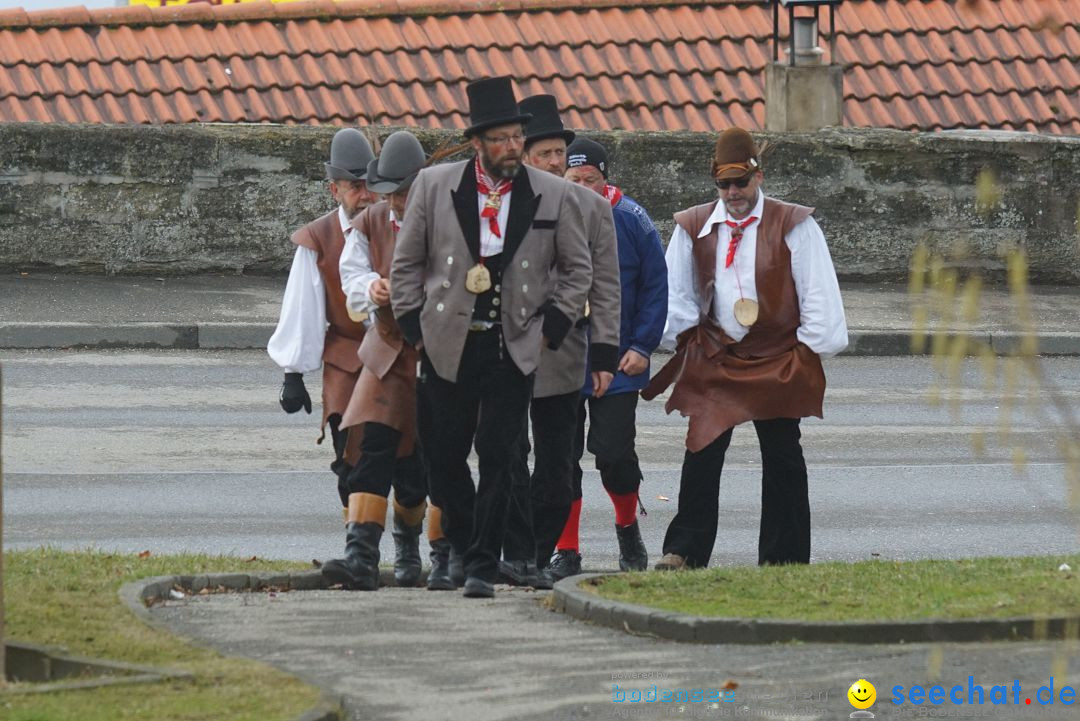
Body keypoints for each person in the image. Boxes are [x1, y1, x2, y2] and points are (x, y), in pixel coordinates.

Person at [390, 76, 592, 598]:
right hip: (446, 341)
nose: (511, 148)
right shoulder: (435, 186)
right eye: (499, 139)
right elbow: (407, 263)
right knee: (443, 456)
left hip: (514, 343)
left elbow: (577, 270)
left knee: (502, 456)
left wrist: (554, 325)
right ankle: (460, 538)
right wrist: (413, 325)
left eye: (516, 138)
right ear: (477, 142)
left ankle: (481, 563)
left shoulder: (551, 192)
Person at [643, 127, 848, 569]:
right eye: (724, 184)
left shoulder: (794, 224)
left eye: (741, 181)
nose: (733, 192)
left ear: (759, 175)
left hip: (778, 358)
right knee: (701, 451)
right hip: (717, 356)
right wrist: (677, 342)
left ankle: (785, 559)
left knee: (783, 458)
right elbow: (674, 298)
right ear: (715, 182)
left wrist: (801, 355)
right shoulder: (693, 226)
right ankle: (683, 552)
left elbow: (819, 298)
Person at [499, 95, 621, 589]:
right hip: (503, 353)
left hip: (563, 354)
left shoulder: (591, 208)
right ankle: (517, 555)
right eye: (544, 153)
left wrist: (606, 352)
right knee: (505, 458)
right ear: (525, 154)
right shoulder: (498, 203)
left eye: (558, 153)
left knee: (557, 471)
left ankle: (535, 552)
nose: (553, 162)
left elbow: (606, 285)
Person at [551, 137, 668, 578]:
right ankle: (566, 549)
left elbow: (657, 286)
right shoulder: (549, 214)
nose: (582, 188)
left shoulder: (631, 219)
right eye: (573, 180)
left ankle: (626, 527)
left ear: (606, 181)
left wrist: (642, 347)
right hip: (562, 360)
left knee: (614, 454)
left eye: (591, 181)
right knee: (561, 458)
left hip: (619, 363)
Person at [322, 131, 431, 590]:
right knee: (372, 451)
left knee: (423, 465)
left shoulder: (450, 219)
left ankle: (417, 546)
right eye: (389, 193)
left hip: (436, 352)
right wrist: (372, 287)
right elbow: (351, 272)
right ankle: (361, 557)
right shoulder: (372, 221)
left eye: (403, 193)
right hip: (386, 350)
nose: (395, 202)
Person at [268, 128, 375, 519]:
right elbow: (303, 306)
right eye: (354, 187)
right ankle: (358, 544)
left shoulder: (396, 224)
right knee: (350, 457)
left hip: (400, 355)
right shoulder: (319, 238)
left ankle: (411, 549)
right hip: (347, 356)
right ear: (335, 191)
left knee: (412, 458)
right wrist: (293, 374)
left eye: (370, 185)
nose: (364, 196)